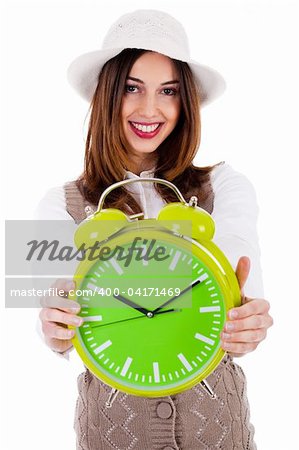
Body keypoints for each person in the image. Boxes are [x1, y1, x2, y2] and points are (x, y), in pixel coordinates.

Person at [37, 9, 273, 450]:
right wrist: (52, 323)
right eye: (131, 88)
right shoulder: (56, 202)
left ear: (185, 103)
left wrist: (247, 322)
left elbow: (240, 282)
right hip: (112, 435)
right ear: (105, 95)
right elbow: (38, 313)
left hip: (217, 433)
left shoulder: (225, 185)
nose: (150, 109)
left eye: (169, 91)